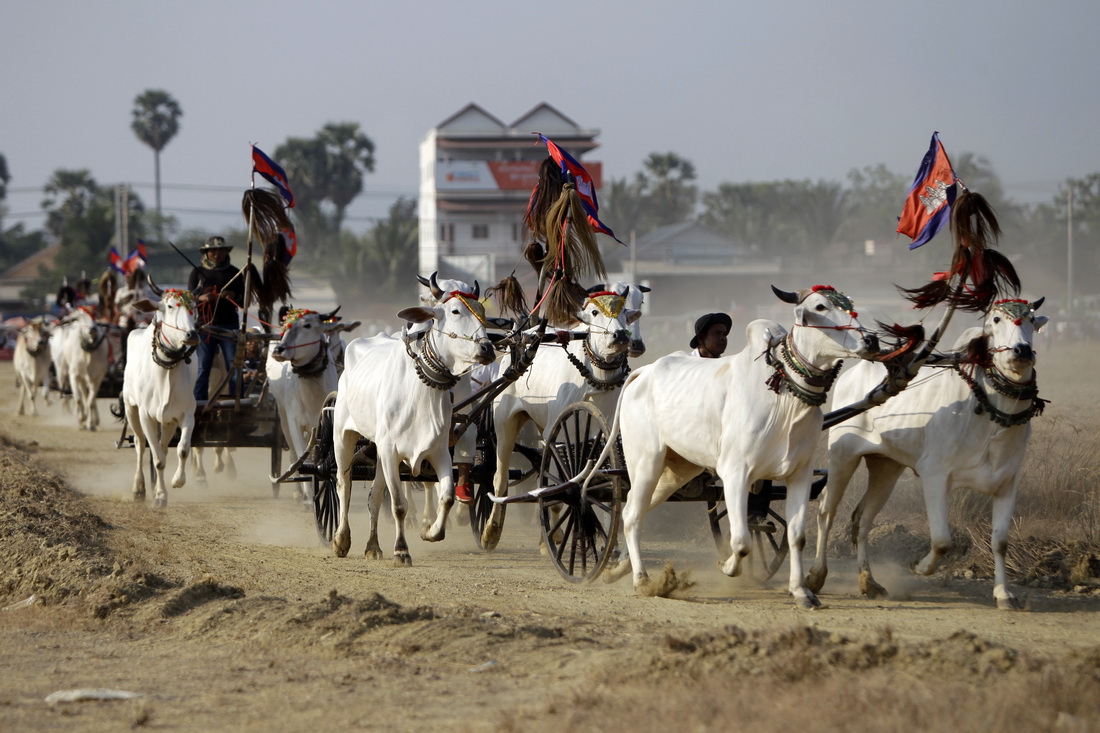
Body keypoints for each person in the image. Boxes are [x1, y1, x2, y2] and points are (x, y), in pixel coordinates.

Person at [189, 236, 245, 401]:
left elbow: (243, 301)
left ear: (226, 252)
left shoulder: (235, 273)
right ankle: (199, 401)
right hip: (205, 327)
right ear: (206, 253)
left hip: (229, 325)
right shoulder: (197, 272)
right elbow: (190, 298)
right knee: (202, 367)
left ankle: (237, 400)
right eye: (213, 251)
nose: (217, 254)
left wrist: (233, 295)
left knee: (234, 366)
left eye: (221, 250)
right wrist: (202, 298)